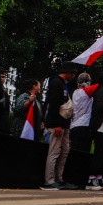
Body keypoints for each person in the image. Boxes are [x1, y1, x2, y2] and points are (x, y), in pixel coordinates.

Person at [40, 61, 78, 190]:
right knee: (54, 152)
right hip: (57, 124)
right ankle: (49, 180)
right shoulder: (56, 83)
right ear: (67, 72)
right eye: (72, 72)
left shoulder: (64, 84)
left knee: (64, 152)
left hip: (65, 123)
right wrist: (56, 124)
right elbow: (53, 104)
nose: (73, 75)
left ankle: (59, 179)